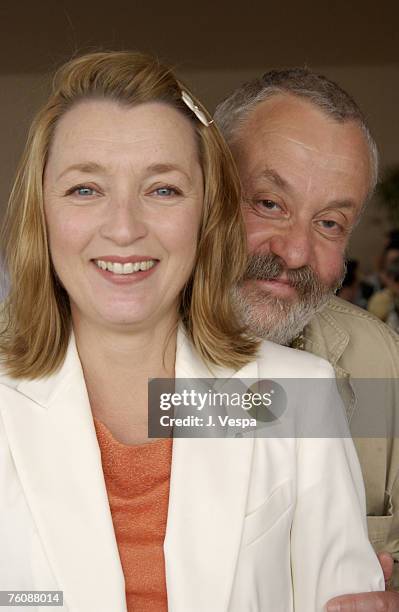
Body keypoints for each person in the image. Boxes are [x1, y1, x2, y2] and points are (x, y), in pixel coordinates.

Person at [0, 52, 384, 611]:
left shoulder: (299, 393)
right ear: (43, 211)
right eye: (85, 188)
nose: (125, 228)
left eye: (163, 190)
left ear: (208, 214)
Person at [215, 68, 399, 609]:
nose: (294, 253)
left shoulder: (382, 368)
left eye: (329, 223)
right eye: (269, 204)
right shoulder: (87, 359)